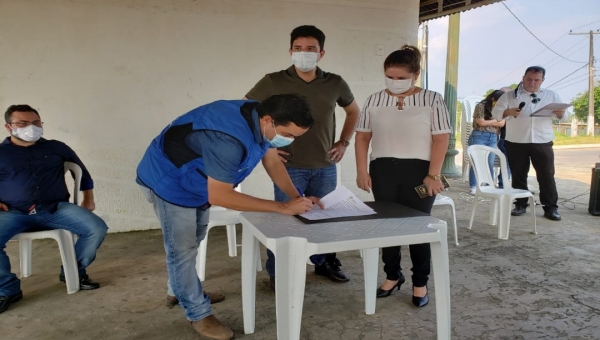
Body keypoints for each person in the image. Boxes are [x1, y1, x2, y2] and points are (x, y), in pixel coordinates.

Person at [136, 94, 319, 340]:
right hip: (170, 183)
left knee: (194, 240)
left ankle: (180, 290)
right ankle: (198, 313)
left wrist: (297, 198)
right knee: (181, 249)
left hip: (197, 182)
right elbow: (221, 195)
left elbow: (273, 162)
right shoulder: (226, 140)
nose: (290, 141)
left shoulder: (260, 119)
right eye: (289, 135)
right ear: (269, 121)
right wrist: (282, 208)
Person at [245, 25, 360, 287]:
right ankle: (279, 272)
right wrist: (269, 145)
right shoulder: (273, 81)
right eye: (298, 49)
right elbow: (247, 108)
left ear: (321, 53)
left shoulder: (335, 83)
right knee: (286, 220)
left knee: (324, 218)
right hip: (288, 166)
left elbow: (354, 111)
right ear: (290, 51)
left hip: (325, 164)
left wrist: (343, 142)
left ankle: (324, 263)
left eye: (310, 49)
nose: (304, 53)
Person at [354, 46, 451, 307]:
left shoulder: (432, 99)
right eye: (389, 77)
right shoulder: (374, 100)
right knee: (387, 225)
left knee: (418, 227)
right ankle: (392, 276)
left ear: (416, 74)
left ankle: (420, 282)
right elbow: (363, 136)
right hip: (382, 169)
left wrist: (433, 174)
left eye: (400, 78)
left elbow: (441, 138)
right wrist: (362, 170)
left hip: (420, 172)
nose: (394, 83)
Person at [0, 104, 108, 314]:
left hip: (55, 209)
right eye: (23, 123)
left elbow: (82, 174)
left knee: (96, 228)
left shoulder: (56, 148)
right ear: (8, 126)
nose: (31, 127)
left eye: (36, 122)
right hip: (14, 212)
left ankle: (74, 272)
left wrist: (89, 199)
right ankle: (8, 289)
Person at [492, 66, 568, 221]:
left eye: (536, 80)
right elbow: (495, 113)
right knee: (519, 175)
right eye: (529, 79)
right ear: (523, 77)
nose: (532, 83)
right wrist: (508, 112)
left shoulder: (551, 95)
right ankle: (520, 204)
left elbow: (564, 117)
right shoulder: (510, 96)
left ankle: (551, 208)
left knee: (546, 175)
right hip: (516, 141)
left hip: (542, 140)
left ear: (542, 80)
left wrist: (561, 114)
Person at [467, 90, 506, 194]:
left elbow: (502, 123)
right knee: (477, 162)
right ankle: (473, 186)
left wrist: (490, 121)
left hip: (493, 137)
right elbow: (480, 122)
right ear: (493, 99)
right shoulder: (481, 106)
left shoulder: (502, 108)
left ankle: (489, 186)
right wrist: (495, 121)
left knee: (489, 162)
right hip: (479, 135)